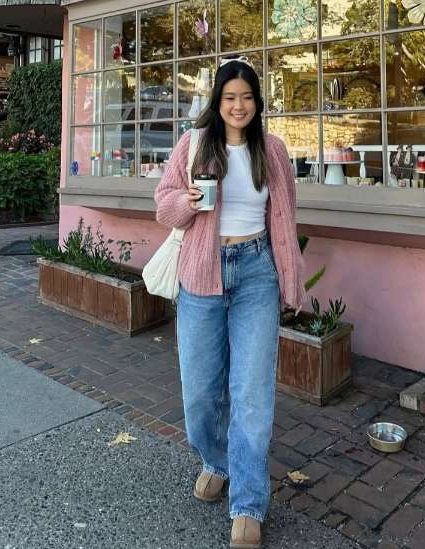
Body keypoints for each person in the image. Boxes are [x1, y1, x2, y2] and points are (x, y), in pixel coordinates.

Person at [154, 56, 306, 548]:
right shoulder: (194, 145)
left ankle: (248, 500)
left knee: (252, 393)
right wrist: (191, 201)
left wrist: (291, 282)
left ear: (257, 102)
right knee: (200, 390)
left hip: (257, 272)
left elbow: (284, 220)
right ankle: (216, 460)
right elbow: (164, 206)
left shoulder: (274, 151)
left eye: (246, 97)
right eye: (229, 97)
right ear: (217, 103)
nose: (238, 105)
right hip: (202, 272)